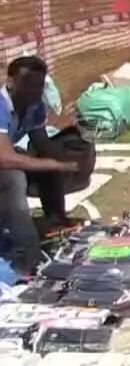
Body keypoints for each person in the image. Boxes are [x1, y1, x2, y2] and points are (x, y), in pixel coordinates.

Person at [0, 57, 80, 272]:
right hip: (2, 158)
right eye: (29, 84)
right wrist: (57, 165)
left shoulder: (34, 106)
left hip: (4, 156)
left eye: (39, 85)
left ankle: (56, 225)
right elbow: (4, 158)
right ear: (11, 83)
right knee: (14, 177)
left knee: (47, 165)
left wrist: (69, 157)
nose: (35, 90)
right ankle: (28, 252)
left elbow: (42, 142)